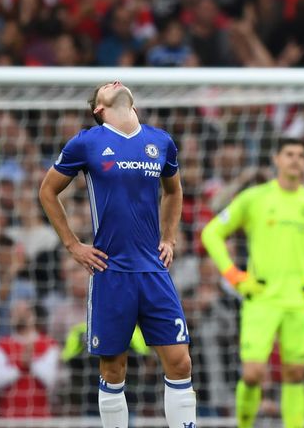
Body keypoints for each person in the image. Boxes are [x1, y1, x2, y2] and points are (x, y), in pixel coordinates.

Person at [38, 81, 196, 428]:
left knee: (181, 362)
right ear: (99, 108)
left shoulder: (161, 141)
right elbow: (48, 191)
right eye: (104, 88)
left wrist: (169, 237)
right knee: (113, 368)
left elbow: (173, 190)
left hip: (154, 271)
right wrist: (73, 245)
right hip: (111, 273)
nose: (114, 83)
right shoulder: (87, 142)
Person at [201, 137, 304, 428]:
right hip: (262, 299)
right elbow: (211, 233)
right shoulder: (255, 198)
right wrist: (234, 276)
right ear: (276, 159)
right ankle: (244, 425)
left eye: (301, 155)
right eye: (289, 154)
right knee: (253, 373)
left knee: (295, 372)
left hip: (299, 301)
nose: (296, 159)